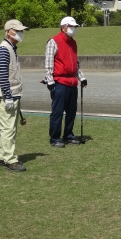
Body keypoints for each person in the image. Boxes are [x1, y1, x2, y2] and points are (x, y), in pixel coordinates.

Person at [44, 16, 87, 147]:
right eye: (72, 27)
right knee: (57, 111)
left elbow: (75, 64)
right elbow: (48, 63)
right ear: (64, 27)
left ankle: (68, 134)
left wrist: (82, 77)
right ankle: (55, 137)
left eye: (75, 27)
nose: (74, 29)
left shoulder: (73, 43)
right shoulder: (54, 41)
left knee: (71, 111)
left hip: (72, 82)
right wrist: (50, 80)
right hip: (59, 81)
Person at [0, 20, 29, 172]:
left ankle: (2, 155)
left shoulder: (11, 48)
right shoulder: (4, 49)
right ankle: (10, 159)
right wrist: (7, 97)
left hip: (11, 95)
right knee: (8, 129)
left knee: (7, 128)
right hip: (5, 96)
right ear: (9, 32)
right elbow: (3, 76)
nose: (21, 33)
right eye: (17, 30)